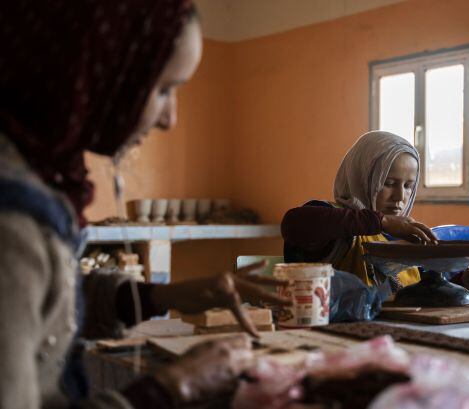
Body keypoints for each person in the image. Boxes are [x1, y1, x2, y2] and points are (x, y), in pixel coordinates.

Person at [0, 1, 289, 408]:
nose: (170, 119)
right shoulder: (13, 225)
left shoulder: (40, 171)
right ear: (93, 69)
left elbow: (43, 300)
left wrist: (161, 297)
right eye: (163, 89)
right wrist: (171, 387)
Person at [282, 131, 469, 294]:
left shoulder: (404, 240)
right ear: (362, 176)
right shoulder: (334, 224)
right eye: (388, 183)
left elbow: (418, 294)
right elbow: (293, 223)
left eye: (407, 186)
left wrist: (467, 282)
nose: (399, 196)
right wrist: (382, 221)